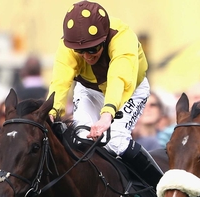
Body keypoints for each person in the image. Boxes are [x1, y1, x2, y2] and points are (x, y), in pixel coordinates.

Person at [47, 1, 161, 187]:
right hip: (89, 91)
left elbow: (118, 79)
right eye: (80, 51)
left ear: (105, 37)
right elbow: (60, 83)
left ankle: (161, 189)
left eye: (93, 49)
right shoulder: (66, 46)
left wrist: (107, 114)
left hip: (128, 91)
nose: (87, 56)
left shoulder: (123, 37)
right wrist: (51, 113)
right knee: (80, 140)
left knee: (114, 139)